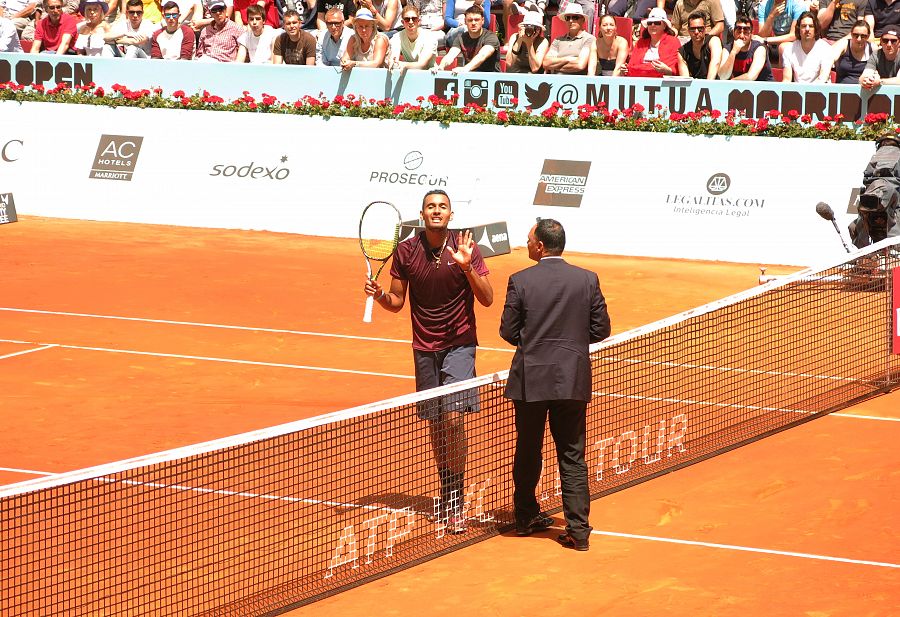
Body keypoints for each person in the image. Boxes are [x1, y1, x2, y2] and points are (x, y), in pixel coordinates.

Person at [364, 189, 493, 534]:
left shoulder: (467, 246)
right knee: (436, 424)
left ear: (451, 215)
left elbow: (488, 298)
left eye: (443, 207)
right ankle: (446, 488)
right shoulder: (405, 251)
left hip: (460, 345)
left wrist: (468, 268)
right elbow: (396, 302)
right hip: (424, 348)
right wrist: (379, 297)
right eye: (431, 207)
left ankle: (457, 500)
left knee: (453, 421)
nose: (437, 211)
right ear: (422, 215)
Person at [500, 219, 611, 552]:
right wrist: (571, 346)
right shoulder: (587, 280)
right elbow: (601, 328)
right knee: (572, 455)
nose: (527, 243)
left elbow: (508, 330)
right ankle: (578, 531)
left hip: (531, 380)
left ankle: (525, 517)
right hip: (571, 378)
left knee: (528, 448)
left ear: (539, 246)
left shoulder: (520, 281)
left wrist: (535, 344)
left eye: (529, 239)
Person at [434, 4, 499, 72]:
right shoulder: (461, 38)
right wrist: (441, 66)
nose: (473, 23)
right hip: (469, 76)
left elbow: (482, 55)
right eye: (470, 20)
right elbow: (451, 55)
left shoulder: (491, 37)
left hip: (491, 76)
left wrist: (466, 68)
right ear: (465, 21)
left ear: (482, 21)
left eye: (476, 20)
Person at [542, 2, 595, 75]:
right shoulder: (558, 40)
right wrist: (568, 59)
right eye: (568, 18)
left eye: (575, 17)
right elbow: (546, 63)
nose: (570, 21)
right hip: (555, 81)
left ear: (582, 20)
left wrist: (554, 65)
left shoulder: (589, 39)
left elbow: (579, 65)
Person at [626, 6, 681, 76]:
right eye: (650, 23)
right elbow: (631, 66)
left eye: (657, 23)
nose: (652, 25)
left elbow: (675, 70)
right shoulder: (640, 43)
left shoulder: (673, 42)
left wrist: (667, 70)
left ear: (664, 26)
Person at [718, 13, 775, 80]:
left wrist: (731, 81)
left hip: (764, 88)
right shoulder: (728, 49)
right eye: (738, 31)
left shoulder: (759, 49)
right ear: (733, 32)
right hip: (739, 88)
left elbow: (751, 77)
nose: (741, 36)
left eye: (745, 32)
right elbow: (722, 77)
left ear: (751, 34)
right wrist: (733, 52)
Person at [781, 10, 833, 81]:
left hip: (819, 90)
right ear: (799, 29)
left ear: (816, 29)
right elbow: (786, 80)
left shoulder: (826, 49)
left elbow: (823, 78)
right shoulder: (789, 50)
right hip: (797, 90)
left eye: (811, 26)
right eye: (803, 26)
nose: (807, 29)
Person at [388, 4, 437, 69]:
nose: (411, 22)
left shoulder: (429, 37)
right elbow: (394, 57)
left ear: (418, 21)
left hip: (429, 73)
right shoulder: (397, 37)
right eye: (407, 19)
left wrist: (404, 65)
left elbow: (422, 65)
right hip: (407, 74)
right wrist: (392, 61)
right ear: (403, 22)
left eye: (414, 19)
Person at [757, 0, 805, 64]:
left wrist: (765, 40)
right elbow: (762, 35)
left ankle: (780, 73)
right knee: (759, 47)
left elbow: (794, 35)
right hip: (774, 44)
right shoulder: (764, 5)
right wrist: (771, 16)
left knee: (783, 47)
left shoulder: (798, 4)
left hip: (796, 44)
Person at [677, 10, 723, 78]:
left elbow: (715, 63)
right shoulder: (682, 52)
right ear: (688, 30)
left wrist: (707, 86)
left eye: (700, 28)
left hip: (714, 84)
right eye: (692, 29)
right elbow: (684, 79)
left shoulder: (714, 41)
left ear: (705, 29)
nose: (696, 32)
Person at [833, 18, 873, 83]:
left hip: (865, 90)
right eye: (856, 35)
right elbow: (830, 59)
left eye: (863, 36)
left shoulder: (872, 49)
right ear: (851, 34)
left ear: (868, 37)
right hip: (842, 90)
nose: (859, 39)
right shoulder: (844, 44)